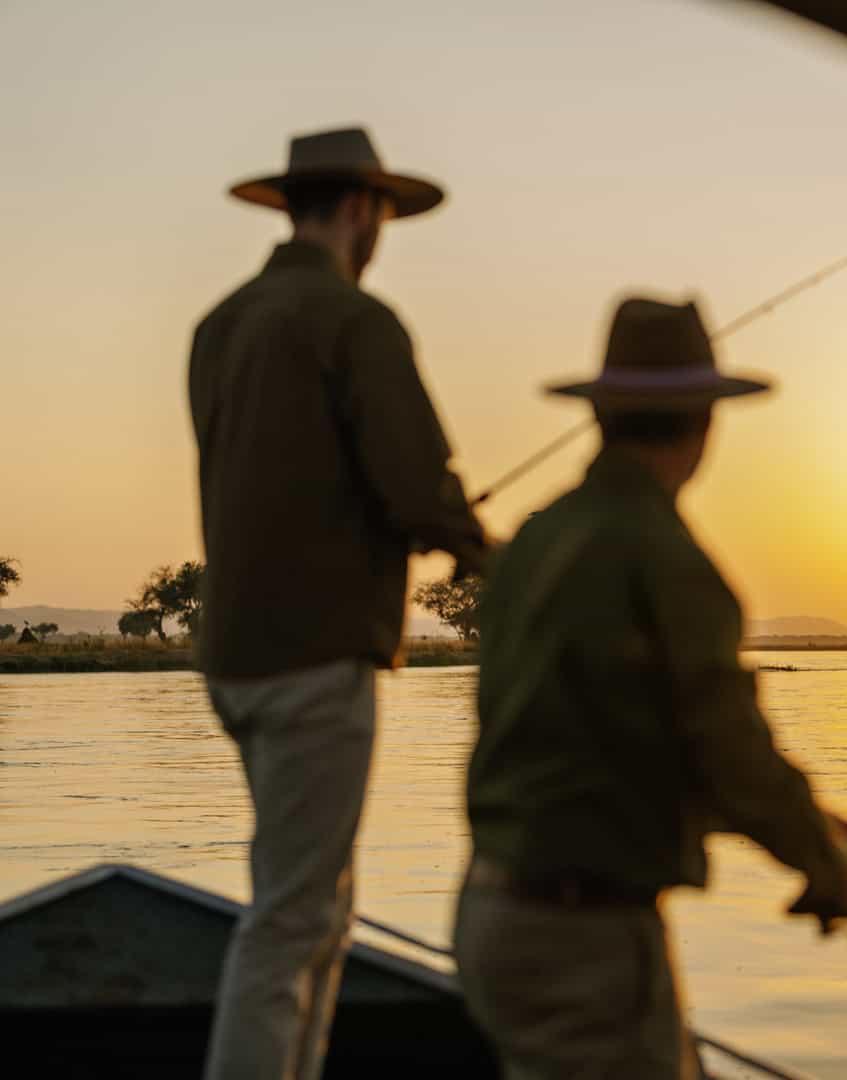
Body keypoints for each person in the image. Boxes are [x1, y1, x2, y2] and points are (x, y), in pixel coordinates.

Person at [456, 297, 847, 1078]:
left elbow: (608, 747)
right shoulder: (670, 562)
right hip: (585, 937)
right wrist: (828, 864)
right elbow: (729, 751)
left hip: (490, 919)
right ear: (704, 423)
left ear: (603, 417)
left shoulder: (533, 544)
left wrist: (811, 826)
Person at [189, 126, 488, 1080]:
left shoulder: (219, 323)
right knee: (292, 918)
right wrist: (487, 549)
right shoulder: (358, 322)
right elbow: (414, 487)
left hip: (233, 657)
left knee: (320, 904)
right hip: (314, 658)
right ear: (362, 210)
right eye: (383, 217)